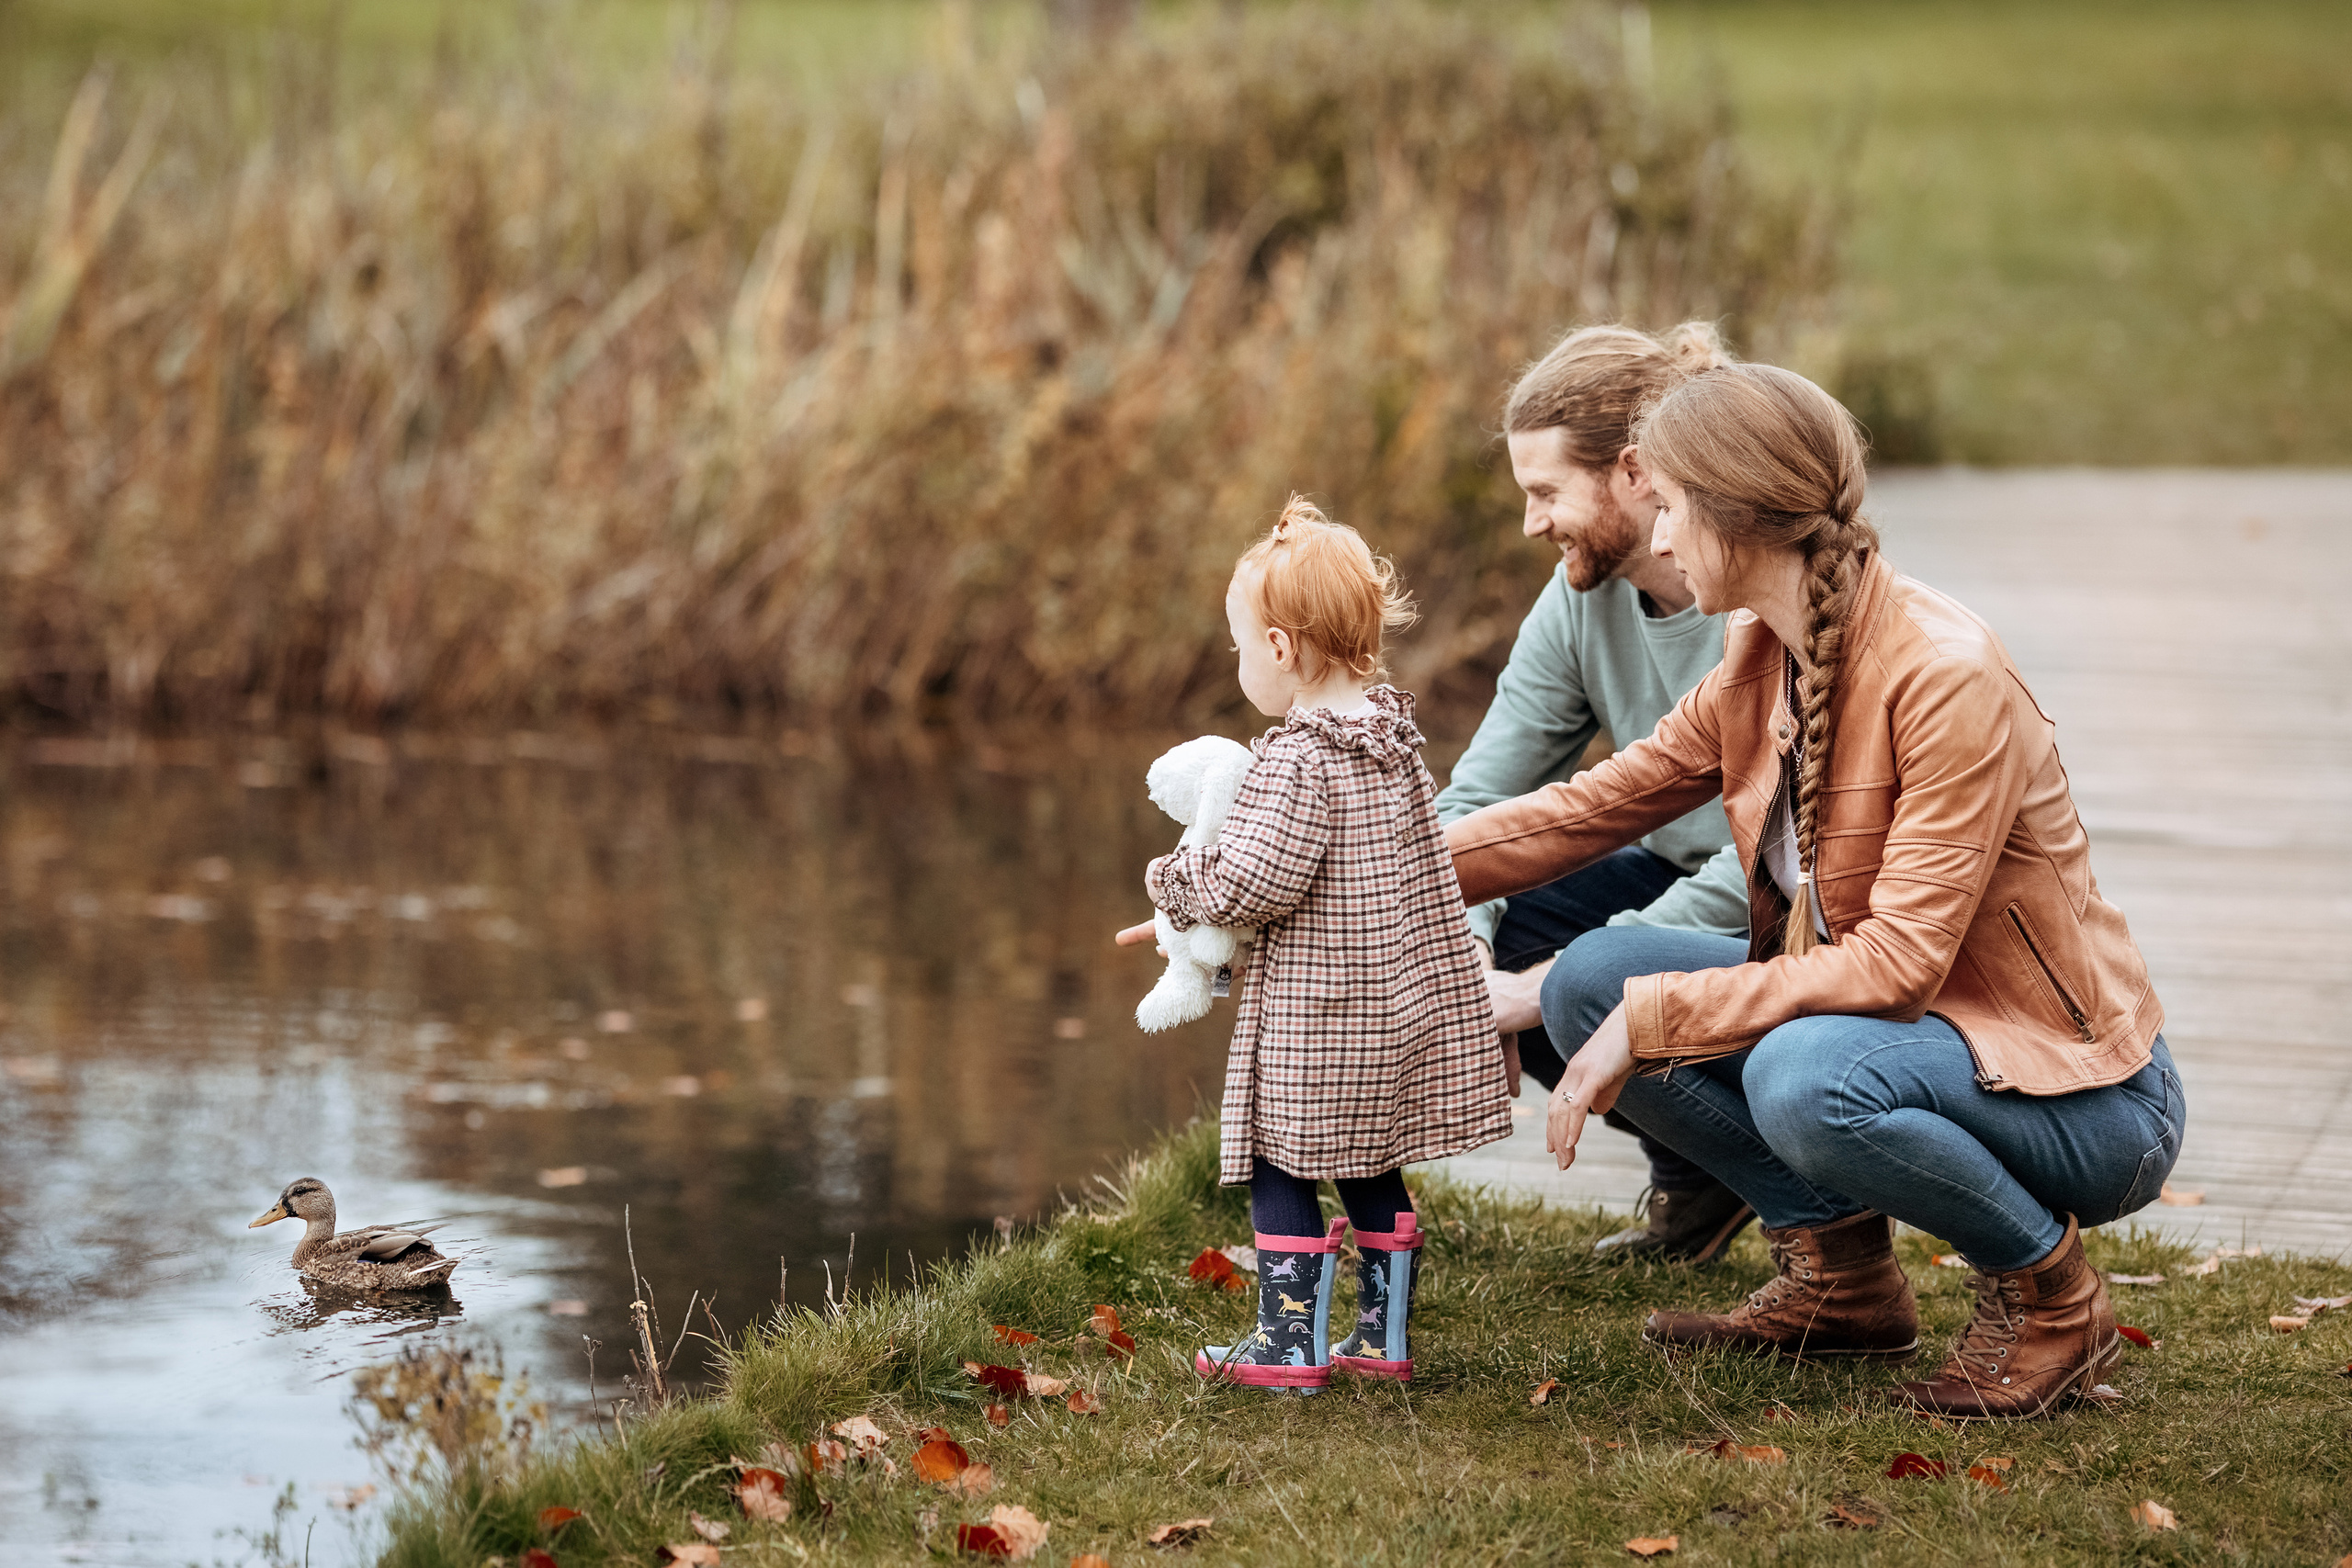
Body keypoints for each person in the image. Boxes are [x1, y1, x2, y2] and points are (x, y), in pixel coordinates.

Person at [1446, 364, 2184, 1420]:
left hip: (2086, 1096)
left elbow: (1894, 966)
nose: (1658, 542)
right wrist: (1341, 865)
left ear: (1739, 516)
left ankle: (2052, 1301)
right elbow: (1591, 809)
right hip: (1924, 1039)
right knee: (1592, 981)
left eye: (1676, 512)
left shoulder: (1943, 674)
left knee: (1800, 1073)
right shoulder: (1763, 654)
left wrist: (1658, 1017)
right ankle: (1841, 1282)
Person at [1141, 498, 1511, 1393]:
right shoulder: (1392, 740)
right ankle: (1381, 1340)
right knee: (1368, 1160)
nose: (1238, 665)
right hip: (1385, 999)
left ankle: (1287, 1348)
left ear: (1278, 648)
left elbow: (1248, 884)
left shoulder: (1297, 758)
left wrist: (1171, 880)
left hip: (1317, 1012)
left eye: (1238, 647)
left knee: (1280, 1158)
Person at [1438, 321, 1757, 1264]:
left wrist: (1545, 990)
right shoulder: (1580, 597)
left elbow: (1776, 871)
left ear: (1632, 473)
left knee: (1568, 976)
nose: (1531, 523)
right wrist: (1468, 968)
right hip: (1669, 878)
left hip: (1788, 915)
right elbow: (1474, 807)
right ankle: (1702, 1176)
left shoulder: (1759, 600)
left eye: (1545, 493)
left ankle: (1807, 1194)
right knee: (1490, 916)